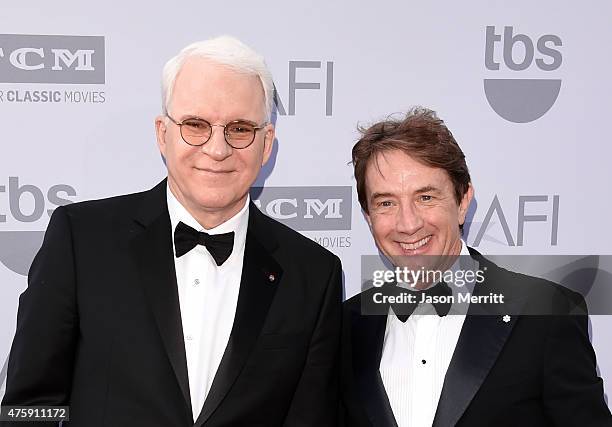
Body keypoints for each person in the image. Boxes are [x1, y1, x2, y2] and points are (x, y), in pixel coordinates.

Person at [1, 36, 342, 427]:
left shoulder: (314, 275)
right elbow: (28, 408)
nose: (217, 149)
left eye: (240, 128)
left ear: (266, 146)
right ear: (163, 133)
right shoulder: (82, 240)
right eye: (196, 125)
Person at [341, 107, 612, 427]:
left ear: (463, 200)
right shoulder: (344, 327)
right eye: (386, 203)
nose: (408, 223)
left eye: (425, 197)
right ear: (368, 216)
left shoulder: (548, 314)